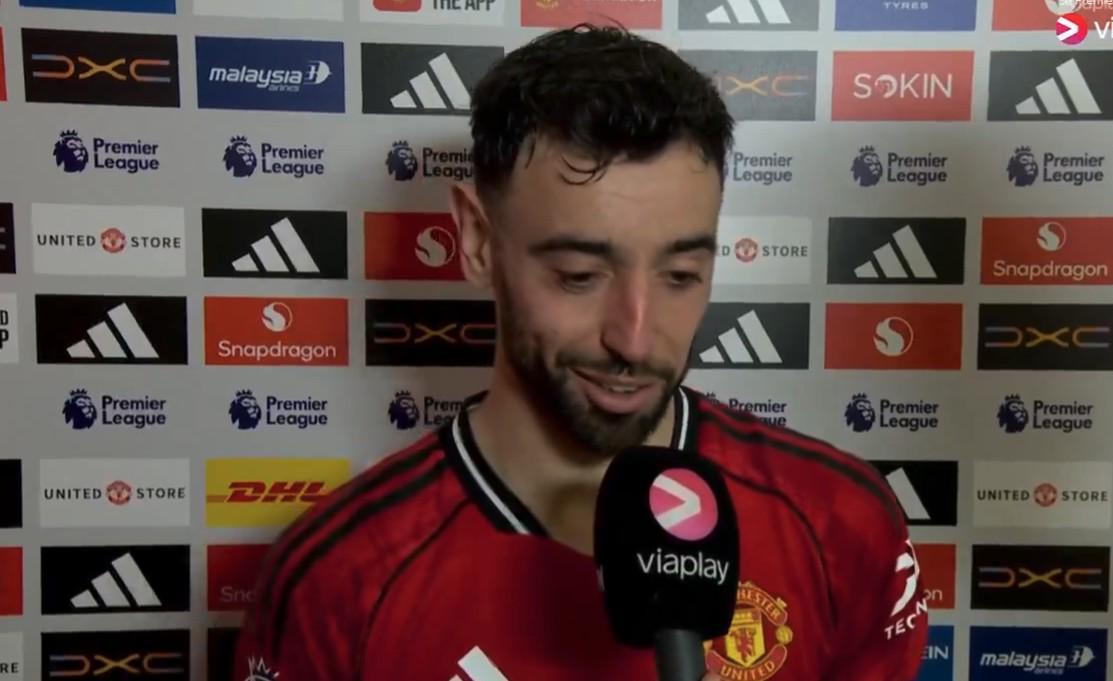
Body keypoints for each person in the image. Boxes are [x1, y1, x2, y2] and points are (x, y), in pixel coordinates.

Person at [232, 23, 928, 681]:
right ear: (477, 241)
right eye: (578, 275)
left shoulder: (841, 522)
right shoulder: (339, 579)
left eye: (680, 274)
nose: (634, 336)